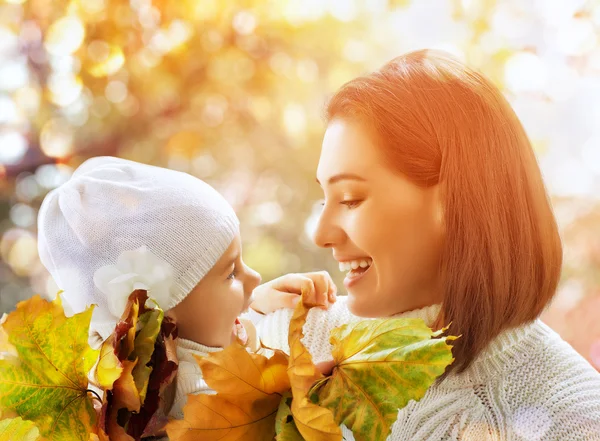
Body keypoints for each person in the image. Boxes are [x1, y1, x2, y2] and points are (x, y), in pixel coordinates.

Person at [255, 49, 600, 440]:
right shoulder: (286, 341)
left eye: (350, 198)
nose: (321, 233)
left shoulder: (578, 419)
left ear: (456, 202)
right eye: (324, 198)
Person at [36, 156, 336, 425]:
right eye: (231, 273)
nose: (255, 277)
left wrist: (252, 305)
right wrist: (300, 394)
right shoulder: (188, 395)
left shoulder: (164, 347)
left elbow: (208, 329)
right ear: (162, 309)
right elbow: (256, 418)